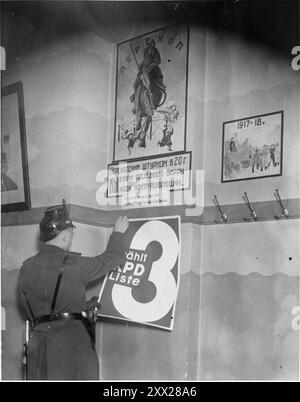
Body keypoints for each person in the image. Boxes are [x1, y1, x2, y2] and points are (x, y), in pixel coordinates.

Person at [18, 199, 129, 380]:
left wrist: (80, 306)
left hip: (38, 342)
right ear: (64, 237)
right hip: (69, 342)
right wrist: (118, 233)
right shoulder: (73, 264)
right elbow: (112, 259)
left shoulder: (26, 267)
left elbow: (33, 307)